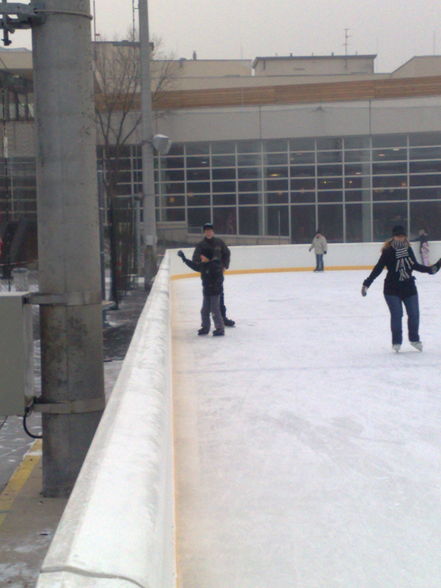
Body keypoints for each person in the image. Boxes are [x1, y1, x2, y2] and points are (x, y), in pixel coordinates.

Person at [361, 225, 441, 352]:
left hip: (408, 286)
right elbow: (378, 268)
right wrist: (367, 283)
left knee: (414, 314)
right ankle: (397, 341)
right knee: (397, 315)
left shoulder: (408, 249)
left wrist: (430, 269)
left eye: (402, 236)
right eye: (398, 235)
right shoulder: (388, 251)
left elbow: (414, 265)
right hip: (392, 289)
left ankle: (414, 339)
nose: (400, 238)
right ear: (393, 236)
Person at [192, 222, 235, 326]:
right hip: (207, 276)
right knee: (208, 299)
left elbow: (227, 253)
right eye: (206, 230)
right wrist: (202, 262)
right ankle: (207, 323)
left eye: (210, 230)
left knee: (220, 295)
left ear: (213, 231)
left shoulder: (219, 242)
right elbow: (195, 259)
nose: (208, 232)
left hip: (217, 274)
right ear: (204, 232)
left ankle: (223, 318)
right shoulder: (201, 245)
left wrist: (225, 266)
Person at [177, 247, 225, 336]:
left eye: (203, 256)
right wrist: (184, 259)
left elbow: (220, 279)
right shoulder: (203, 265)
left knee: (215, 310)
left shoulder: (215, 265)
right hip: (207, 292)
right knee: (204, 310)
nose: (201, 257)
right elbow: (194, 266)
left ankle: (220, 329)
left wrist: (214, 286)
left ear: (208, 257)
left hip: (215, 292)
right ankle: (205, 327)